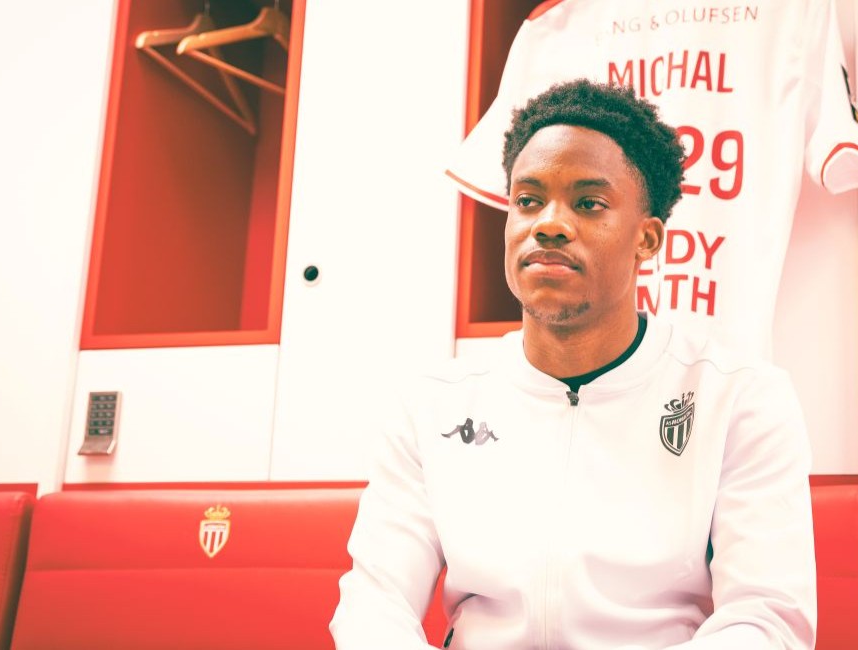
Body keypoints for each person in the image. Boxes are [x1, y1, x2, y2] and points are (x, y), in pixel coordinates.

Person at [330, 79, 816, 650]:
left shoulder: (738, 398)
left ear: (647, 239)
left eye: (588, 203)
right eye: (528, 200)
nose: (549, 224)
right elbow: (374, 604)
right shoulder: (434, 401)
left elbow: (765, 619)